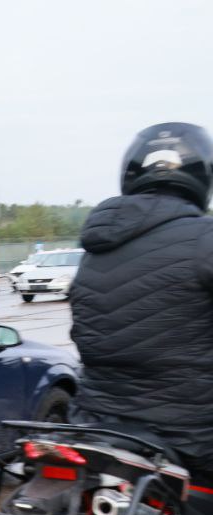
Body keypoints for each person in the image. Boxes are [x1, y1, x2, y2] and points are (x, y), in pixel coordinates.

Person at [70, 122, 213, 478]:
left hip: (94, 422)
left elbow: (83, 333)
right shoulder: (205, 239)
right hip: (189, 434)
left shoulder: (94, 250)